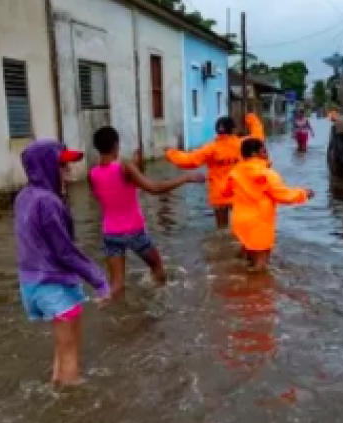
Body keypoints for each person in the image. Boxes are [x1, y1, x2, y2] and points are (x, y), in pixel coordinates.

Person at [14, 140, 110, 385]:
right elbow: (65, 252)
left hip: (31, 285)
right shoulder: (49, 202)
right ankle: (73, 404)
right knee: (70, 354)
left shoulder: (24, 197)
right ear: (46, 167)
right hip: (54, 285)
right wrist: (98, 280)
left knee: (61, 349)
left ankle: (57, 385)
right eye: (62, 165)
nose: (69, 170)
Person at [89, 126, 205, 296]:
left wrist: (134, 167)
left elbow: (108, 191)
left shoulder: (93, 174)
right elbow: (155, 188)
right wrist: (186, 177)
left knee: (117, 285)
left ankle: (104, 305)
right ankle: (161, 302)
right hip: (134, 231)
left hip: (110, 233)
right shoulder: (125, 167)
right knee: (158, 269)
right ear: (116, 145)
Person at [221, 138, 314, 270]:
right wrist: (304, 194)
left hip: (239, 221)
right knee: (261, 262)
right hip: (259, 223)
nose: (267, 153)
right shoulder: (267, 174)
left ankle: (237, 278)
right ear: (254, 153)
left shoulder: (234, 172)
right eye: (264, 150)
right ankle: (257, 287)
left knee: (247, 253)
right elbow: (283, 196)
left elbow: (224, 191)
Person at [166, 113, 265, 229]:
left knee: (221, 229)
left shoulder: (210, 148)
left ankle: (221, 246)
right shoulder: (243, 144)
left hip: (219, 194)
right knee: (242, 227)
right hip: (239, 192)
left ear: (217, 131)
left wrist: (170, 153)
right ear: (233, 129)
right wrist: (252, 119)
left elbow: (189, 161)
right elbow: (258, 137)